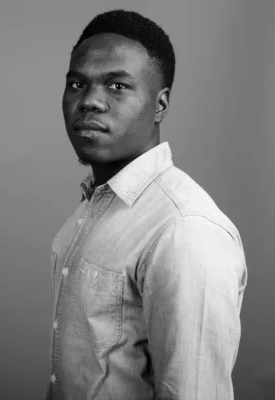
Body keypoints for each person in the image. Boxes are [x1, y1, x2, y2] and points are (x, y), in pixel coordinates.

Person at [47, 9, 247, 400]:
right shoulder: (93, 208)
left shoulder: (183, 230)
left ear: (160, 105)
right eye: (76, 84)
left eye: (117, 86)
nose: (90, 101)